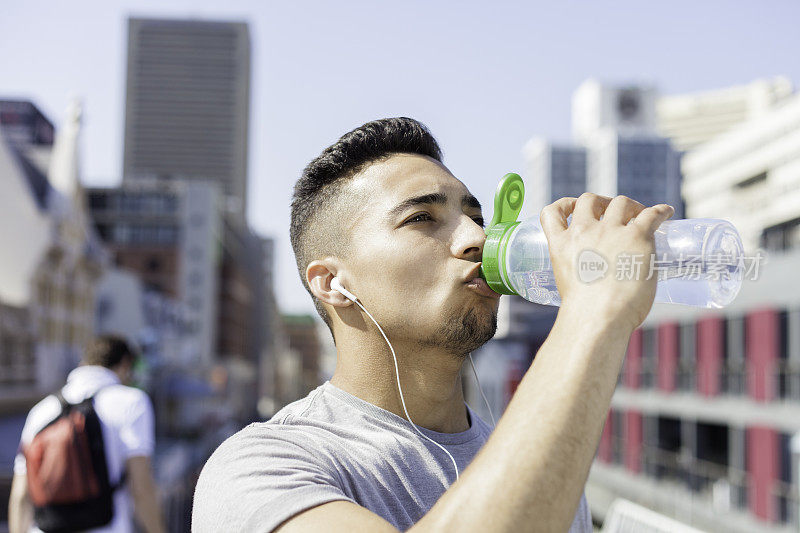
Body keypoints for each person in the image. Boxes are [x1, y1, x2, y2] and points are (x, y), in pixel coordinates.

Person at [192, 117, 675, 532]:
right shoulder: (263, 468)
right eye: (422, 217)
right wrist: (592, 312)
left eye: (476, 218)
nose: (476, 239)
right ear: (333, 283)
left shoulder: (543, 452)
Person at [8, 335, 166, 533]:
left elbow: (21, 495)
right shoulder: (132, 402)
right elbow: (141, 486)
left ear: (84, 363)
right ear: (125, 364)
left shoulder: (41, 410)